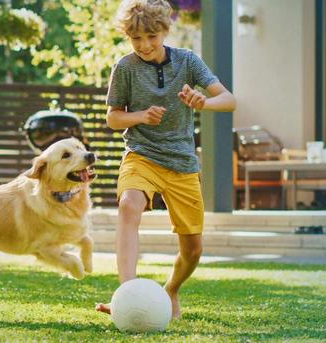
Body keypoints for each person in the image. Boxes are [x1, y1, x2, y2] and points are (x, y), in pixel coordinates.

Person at [94, 0, 237, 320]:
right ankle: (126, 294)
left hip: (182, 162)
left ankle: (170, 289)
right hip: (141, 154)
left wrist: (203, 102)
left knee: (193, 250)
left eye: (151, 37)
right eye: (136, 39)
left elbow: (229, 100)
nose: (144, 45)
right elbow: (113, 119)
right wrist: (141, 116)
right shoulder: (125, 67)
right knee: (129, 205)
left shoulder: (188, 61)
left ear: (164, 31)